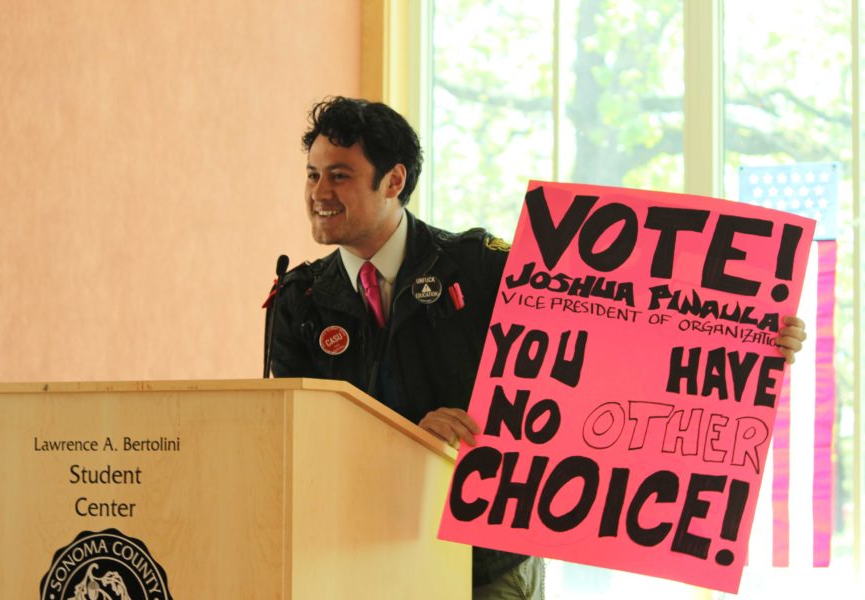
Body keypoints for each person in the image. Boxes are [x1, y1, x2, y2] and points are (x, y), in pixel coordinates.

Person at [267, 96, 807, 599]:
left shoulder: (481, 267)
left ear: (394, 181)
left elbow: (618, 334)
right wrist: (411, 441)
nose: (319, 193)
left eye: (340, 175)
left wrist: (750, 334)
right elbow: (290, 442)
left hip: (485, 560)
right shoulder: (301, 300)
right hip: (353, 555)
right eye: (313, 174)